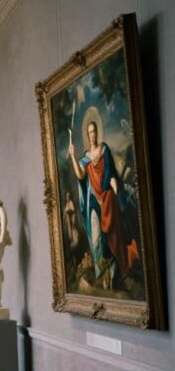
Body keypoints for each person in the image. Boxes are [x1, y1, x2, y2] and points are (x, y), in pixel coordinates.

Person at [67, 116, 140, 287]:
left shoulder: (104, 149)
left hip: (107, 199)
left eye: (94, 132)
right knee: (96, 236)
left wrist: (115, 192)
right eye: (89, 132)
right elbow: (80, 175)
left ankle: (115, 272)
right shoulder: (85, 157)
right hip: (94, 201)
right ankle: (102, 272)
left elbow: (111, 174)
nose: (92, 135)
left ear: (97, 133)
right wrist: (72, 155)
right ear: (87, 134)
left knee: (113, 234)